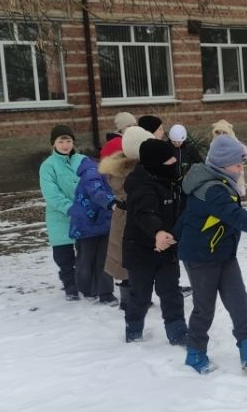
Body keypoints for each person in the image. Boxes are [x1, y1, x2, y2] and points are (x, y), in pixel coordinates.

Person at [177, 135, 247, 374]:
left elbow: (189, 216)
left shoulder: (219, 182)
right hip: (201, 257)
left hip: (224, 253)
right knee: (204, 308)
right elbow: (237, 217)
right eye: (237, 165)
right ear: (222, 165)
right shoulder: (213, 189)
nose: (241, 169)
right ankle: (195, 353)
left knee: (239, 303)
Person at [123, 139, 188, 345]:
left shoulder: (170, 180)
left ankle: (178, 332)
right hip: (141, 250)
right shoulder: (141, 186)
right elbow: (145, 213)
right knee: (140, 295)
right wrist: (158, 231)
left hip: (167, 248)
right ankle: (134, 329)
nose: (174, 162)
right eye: (168, 160)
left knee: (171, 291)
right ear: (155, 163)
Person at [99, 125, 156, 312]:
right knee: (128, 259)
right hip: (129, 217)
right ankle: (130, 300)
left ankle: (135, 298)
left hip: (126, 216)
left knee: (130, 259)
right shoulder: (131, 171)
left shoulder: (124, 167)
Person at [39, 125, 89, 301]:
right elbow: (51, 193)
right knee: (64, 255)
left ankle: (85, 282)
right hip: (60, 217)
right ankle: (70, 285)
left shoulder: (83, 160)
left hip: (85, 215)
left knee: (85, 253)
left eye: (68, 141)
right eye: (61, 141)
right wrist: (71, 208)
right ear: (53, 144)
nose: (65, 145)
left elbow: (93, 182)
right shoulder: (48, 166)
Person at [68, 154, 119, 306]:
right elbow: (96, 191)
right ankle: (87, 289)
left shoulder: (107, 172)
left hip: (104, 222)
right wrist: (111, 203)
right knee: (86, 259)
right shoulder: (92, 172)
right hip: (87, 224)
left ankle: (105, 292)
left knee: (104, 258)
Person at [212, 119, 247, 198]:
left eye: (224, 132)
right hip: (220, 175)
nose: (221, 135)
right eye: (218, 133)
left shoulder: (236, 144)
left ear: (229, 133)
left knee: (237, 193)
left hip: (235, 174)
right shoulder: (214, 145)